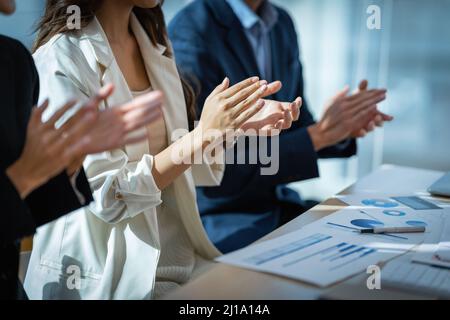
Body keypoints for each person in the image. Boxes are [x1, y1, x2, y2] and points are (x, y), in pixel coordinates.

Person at [24, 0, 300, 300]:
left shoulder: (152, 40)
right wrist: (204, 135)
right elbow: (107, 196)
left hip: (179, 265)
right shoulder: (61, 59)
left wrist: (232, 126)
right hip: (108, 281)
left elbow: (181, 163)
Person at [169, 0, 394, 253]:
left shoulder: (281, 24)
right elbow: (208, 165)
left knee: (376, 238)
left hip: (279, 206)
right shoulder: (192, 30)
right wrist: (317, 136)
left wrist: (338, 129)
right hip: (225, 219)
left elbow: (295, 126)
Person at [0, 0, 164, 300]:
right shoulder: (58, 56)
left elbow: (33, 206)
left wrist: (69, 162)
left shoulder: (12, 62)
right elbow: (106, 197)